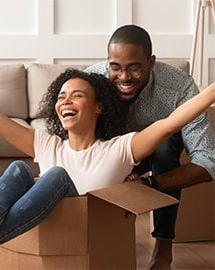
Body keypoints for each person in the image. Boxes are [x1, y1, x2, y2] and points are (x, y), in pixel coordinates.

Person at [0, 68, 214, 269]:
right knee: (18, 168)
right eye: (61, 97)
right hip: (48, 236)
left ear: (98, 108)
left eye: (77, 95)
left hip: (88, 240)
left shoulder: (118, 149)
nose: (65, 101)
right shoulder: (46, 144)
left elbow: (170, 123)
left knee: (55, 176)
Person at [85, 24, 215, 269]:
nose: (123, 77)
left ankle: (163, 250)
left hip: (157, 155)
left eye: (134, 68)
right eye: (116, 67)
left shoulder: (179, 87)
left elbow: (209, 161)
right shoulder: (92, 82)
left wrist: (148, 185)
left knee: (166, 149)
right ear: (108, 62)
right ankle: (101, 243)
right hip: (107, 149)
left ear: (151, 62)